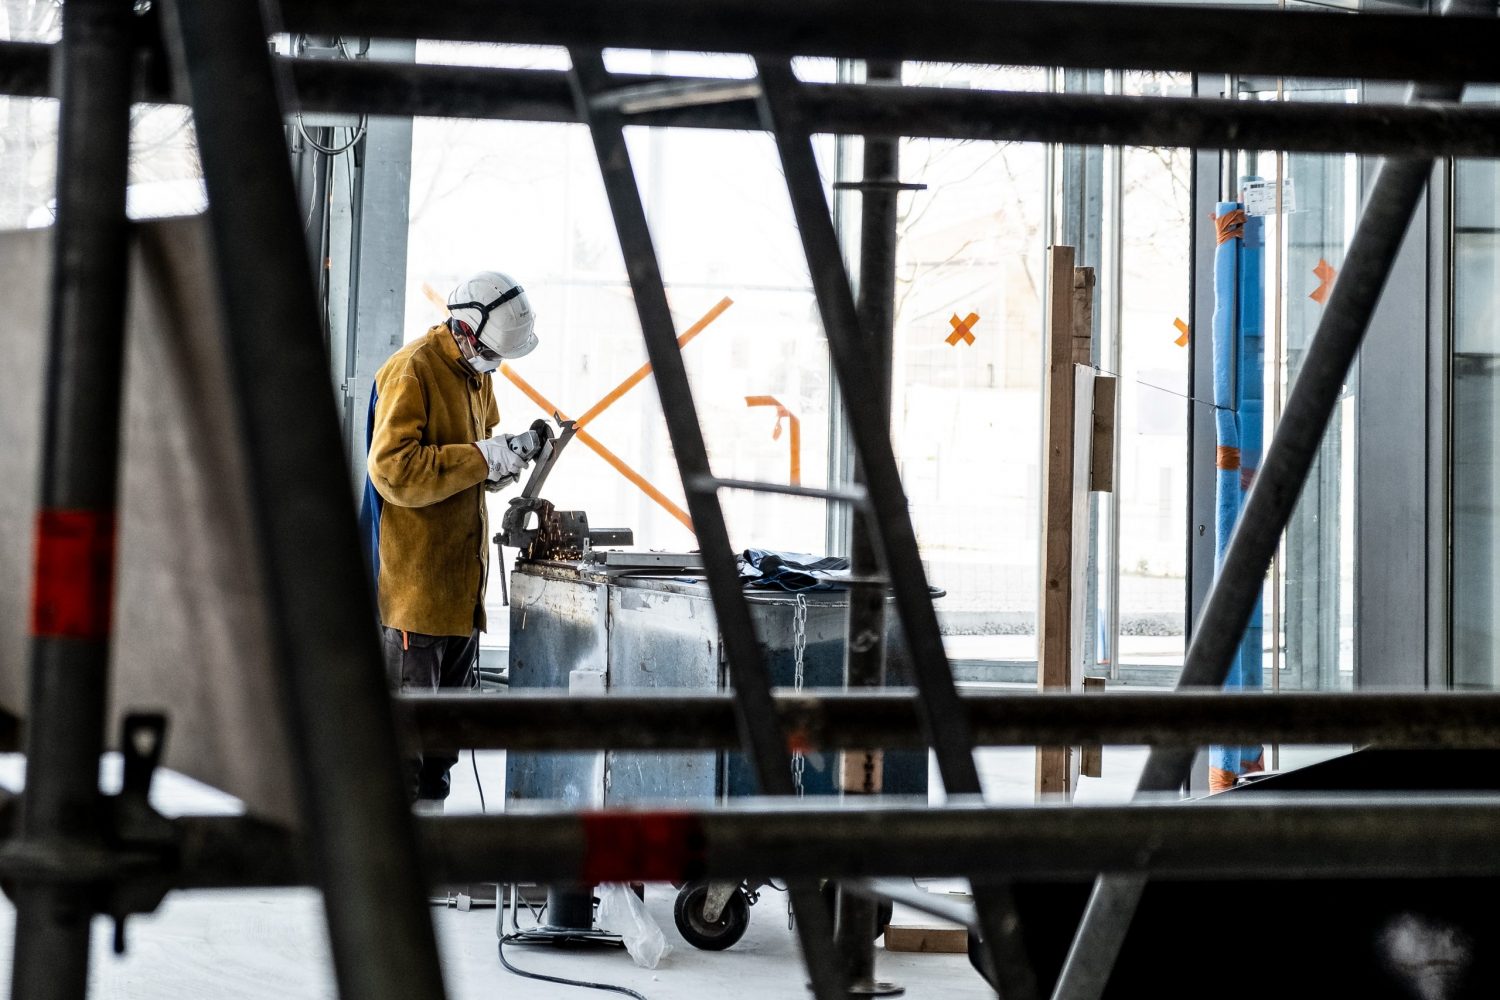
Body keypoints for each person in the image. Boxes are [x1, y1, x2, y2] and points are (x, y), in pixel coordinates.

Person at [362, 271, 539, 810]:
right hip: (415, 591)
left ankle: (434, 852)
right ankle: (399, 869)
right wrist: (484, 457)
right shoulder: (412, 371)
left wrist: (509, 457)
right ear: (464, 329)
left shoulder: (477, 372)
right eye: (490, 351)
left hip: (461, 590)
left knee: (443, 740)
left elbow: (477, 461)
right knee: (406, 742)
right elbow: (392, 471)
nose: (495, 364)